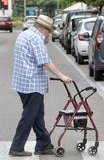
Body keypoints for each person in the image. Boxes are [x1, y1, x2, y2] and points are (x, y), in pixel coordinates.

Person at [9, 14, 72, 157]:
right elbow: (45, 61)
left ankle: (43, 145)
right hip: (32, 84)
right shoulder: (37, 38)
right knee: (29, 116)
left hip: (23, 83)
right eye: (49, 30)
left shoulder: (25, 35)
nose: (49, 34)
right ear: (42, 28)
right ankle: (16, 147)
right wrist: (62, 76)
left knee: (37, 115)